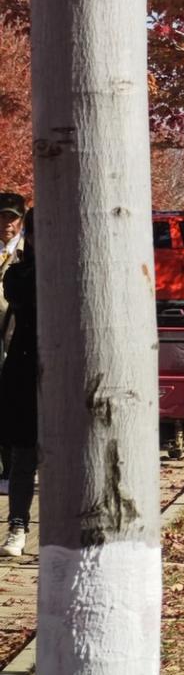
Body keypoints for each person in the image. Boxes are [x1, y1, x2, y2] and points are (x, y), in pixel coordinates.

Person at [0, 208, 36, 556]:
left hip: (71, 376)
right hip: (26, 373)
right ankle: (18, 526)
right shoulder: (18, 274)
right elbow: (23, 292)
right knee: (24, 456)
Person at [0, 193, 24, 496]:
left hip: (17, 334)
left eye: (12, 218)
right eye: (3, 217)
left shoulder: (25, 254)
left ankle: (12, 468)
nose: (7, 224)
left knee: (12, 400)